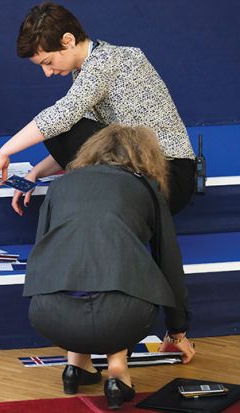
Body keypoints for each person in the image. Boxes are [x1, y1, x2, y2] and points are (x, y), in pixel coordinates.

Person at [24, 124, 196, 409]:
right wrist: (177, 331)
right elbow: (169, 263)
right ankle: (118, 374)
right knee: (124, 284)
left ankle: (76, 366)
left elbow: (43, 252)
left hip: (48, 315)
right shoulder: (147, 188)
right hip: (122, 319)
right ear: (146, 158)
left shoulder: (60, 185)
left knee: (85, 272)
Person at [0, 2, 195, 216]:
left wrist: (5, 151)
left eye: (48, 62)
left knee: (60, 127)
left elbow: (62, 118)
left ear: (68, 41)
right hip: (151, 170)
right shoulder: (89, 69)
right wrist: (35, 173)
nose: (47, 73)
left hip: (170, 177)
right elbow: (86, 141)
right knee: (62, 130)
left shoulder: (106, 61)